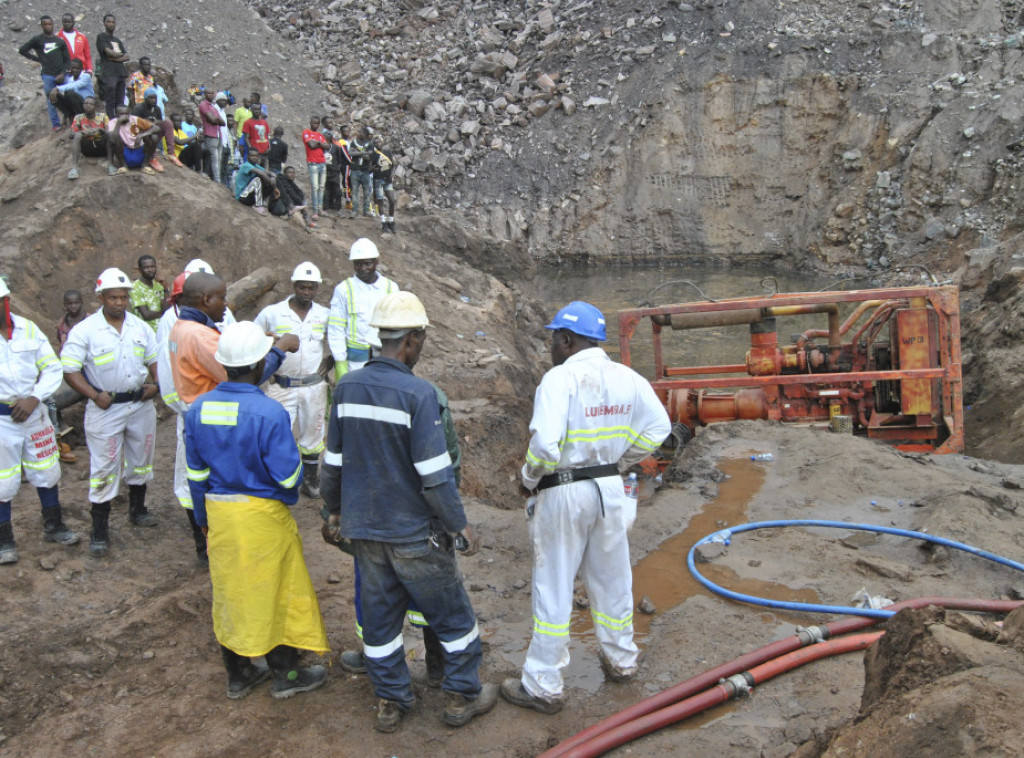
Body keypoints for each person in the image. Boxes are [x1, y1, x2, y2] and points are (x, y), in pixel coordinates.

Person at [320, 291, 495, 732]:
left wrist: (333, 513)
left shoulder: (347, 386)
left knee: (379, 627)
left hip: (366, 533)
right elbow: (436, 477)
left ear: (382, 338)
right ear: (413, 340)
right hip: (415, 535)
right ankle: (460, 696)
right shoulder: (419, 395)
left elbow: (333, 463)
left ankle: (391, 701)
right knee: (455, 620)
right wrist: (460, 526)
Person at [499, 301, 672, 713]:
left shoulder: (559, 380)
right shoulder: (628, 379)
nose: (551, 349)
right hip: (610, 490)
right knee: (613, 580)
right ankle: (621, 661)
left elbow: (543, 446)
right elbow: (660, 428)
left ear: (566, 339)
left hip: (563, 492)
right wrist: (621, 461)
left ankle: (543, 684)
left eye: (553, 340)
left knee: (554, 584)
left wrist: (528, 480)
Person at [186, 321, 329, 700]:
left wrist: (203, 520)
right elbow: (288, 479)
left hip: (219, 515)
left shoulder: (197, 410)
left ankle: (239, 674)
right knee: (275, 590)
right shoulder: (268, 413)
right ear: (258, 365)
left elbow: (196, 475)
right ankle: (287, 674)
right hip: (262, 517)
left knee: (231, 591)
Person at [61, 267, 160, 557]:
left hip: (140, 404)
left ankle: (138, 509)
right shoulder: (85, 331)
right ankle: (99, 529)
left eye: (123, 297)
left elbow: (154, 360)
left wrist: (156, 384)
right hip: (105, 409)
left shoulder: (140, 327)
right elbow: (70, 369)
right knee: (104, 467)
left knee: (141, 459)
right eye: (113, 297)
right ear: (101, 296)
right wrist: (93, 394)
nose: (119, 302)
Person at [0, 277, 79, 565]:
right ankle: (4, 540)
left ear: (5, 301)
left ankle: (54, 525)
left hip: (34, 415)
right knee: (3, 481)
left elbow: (51, 367)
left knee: (47, 470)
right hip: (1, 420)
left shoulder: (27, 329)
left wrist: (34, 397)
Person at [254, 263, 330, 499]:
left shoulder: (324, 314)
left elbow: (337, 339)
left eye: (311, 288)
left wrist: (333, 360)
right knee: (277, 433)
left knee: (313, 435)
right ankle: (280, 479)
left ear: (317, 288)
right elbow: (254, 337)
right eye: (302, 287)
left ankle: (310, 479)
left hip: (313, 386)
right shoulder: (272, 313)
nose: (306, 292)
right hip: (281, 385)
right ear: (293, 285)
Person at [327, 238, 399, 377]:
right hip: (355, 362)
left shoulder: (391, 288)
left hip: (383, 359)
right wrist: (340, 362)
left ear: (376, 262)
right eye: (358, 264)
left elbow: (397, 326)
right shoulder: (344, 289)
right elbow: (336, 328)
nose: (362, 268)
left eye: (367, 263)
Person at [18, 15, 70, 131]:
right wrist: (37, 59)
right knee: (50, 96)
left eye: (49, 24)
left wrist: (62, 73)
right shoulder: (37, 39)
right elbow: (22, 50)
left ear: (53, 24)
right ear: (41, 26)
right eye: (45, 24)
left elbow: (67, 60)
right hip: (47, 74)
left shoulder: (60, 42)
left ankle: (69, 116)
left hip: (61, 74)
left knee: (69, 94)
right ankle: (56, 124)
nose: (47, 26)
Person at [132, 86, 183, 171]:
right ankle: (152, 157)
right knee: (153, 135)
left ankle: (171, 153)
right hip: (141, 136)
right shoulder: (138, 108)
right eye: (151, 98)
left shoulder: (157, 109)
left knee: (167, 123)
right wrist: (147, 123)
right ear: (145, 99)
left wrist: (154, 123)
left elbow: (158, 123)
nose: (154, 100)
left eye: (155, 98)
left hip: (153, 132)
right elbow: (133, 127)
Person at [68, 95, 114, 179]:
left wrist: (100, 129)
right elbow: (71, 135)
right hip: (87, 147)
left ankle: (110, 165)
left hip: (101, 146)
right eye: (86, 103)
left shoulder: (103, 116)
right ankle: (74, 167)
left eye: (91, 104)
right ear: (83, 105)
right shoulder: (78, 117)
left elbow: (110, 132)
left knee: (108, 135)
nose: (88, 105)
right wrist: (84, 132)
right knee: (77, 135)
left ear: (95, 106)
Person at [107, 104, 161, 175]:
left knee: (154, 137)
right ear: (116, 114)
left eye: (126, 114)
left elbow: (157, 128)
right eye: (121, 114)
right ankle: (124, 166)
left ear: (129, 114)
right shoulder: (113, 122)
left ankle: (145, 165)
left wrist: (142, 135)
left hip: (140, 150)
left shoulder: (135, 119)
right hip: (125, 154)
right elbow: (112, 140)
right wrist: (118, 123)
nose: (124, 116)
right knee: (114, 137)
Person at [94, 14, 128, 118]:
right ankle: (110, 120)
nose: (111, 24)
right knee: (110, 98)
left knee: (120, 100)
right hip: (109, 72)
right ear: (104, 23)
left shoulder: (117, 40)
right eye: (109, 22)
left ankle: (120, 121)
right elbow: (109, 52)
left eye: (113, 22)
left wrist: (115, 58)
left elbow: (127, 57)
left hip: (121, 72)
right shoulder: (101, 37)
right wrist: (117, 56)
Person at [130, 255, 169, 330]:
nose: (150, 269)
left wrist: (166, 288)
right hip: (144, 333)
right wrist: (164, 313)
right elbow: (146, 315)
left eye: (152, 267)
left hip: (161, 332)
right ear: (140, 270)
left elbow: (166, 308)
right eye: (146, 267)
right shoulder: (135, 287)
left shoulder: (159, 285)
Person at [50, 58, 93, 124]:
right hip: (75, 104)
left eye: (77, 68)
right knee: (54, 95)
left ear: (81, 69)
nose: (75, 70)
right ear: (70, 69)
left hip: (87, 104)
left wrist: (57, 88)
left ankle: (82, 119)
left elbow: (75, 85)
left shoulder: (86, 76)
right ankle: (70, 115)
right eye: (73, 68)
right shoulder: (70, 79)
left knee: (69, 93)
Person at [302, 116, 327, 220]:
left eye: (317, 124)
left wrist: (319, 144)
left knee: (321, 187)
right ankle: (315, 210)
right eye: (314, 123)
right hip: (313, 162)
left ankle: (320, 208)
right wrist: (321, 144)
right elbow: (311, 145)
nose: (315, 125)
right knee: (315, 187)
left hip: (322, 162)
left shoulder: (320, 135)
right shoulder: (306, 132)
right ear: (310, 123)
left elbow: (328, 146)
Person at [198, 88, 225, 182]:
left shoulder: (213, 107)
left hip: (218, 134)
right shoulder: (203, 105)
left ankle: (217, 179)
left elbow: (223, 123)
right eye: (208, 93)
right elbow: (212, 120)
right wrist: (216, 119)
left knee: (219, 160)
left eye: (212, 93)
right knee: (214, 158)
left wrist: (215, 118)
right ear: (205, 94)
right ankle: (217, 180)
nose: (210, 94)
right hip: (210, 134)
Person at [348, 127, 375, 217]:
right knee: (354, 191)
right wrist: (363, 153)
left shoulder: (370, 144)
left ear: (366, 134)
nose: (359, 133)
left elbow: (369, 157)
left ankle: (366, 210)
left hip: (365, 171)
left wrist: (358, 153)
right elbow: (350, 153)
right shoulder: (354, 142)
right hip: (355, 170)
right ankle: (354, 210)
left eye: (361, 132)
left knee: (367, 192)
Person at [372, 136, 397, 233]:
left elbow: (394, 164)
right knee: (380, 201)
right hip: (378, 179)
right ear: (374, 145)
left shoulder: (388, 152)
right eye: (376, 143)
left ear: (382, 142)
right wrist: (374, 169)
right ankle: (383, 222)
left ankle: (391, 221)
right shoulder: (373, 155)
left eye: (379, 142)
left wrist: (392, 175)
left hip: (387, 179)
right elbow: (369, 167)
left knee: (392, 201)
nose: (378, 144)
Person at [323, 133, 345, 214]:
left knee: (337, 190)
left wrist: (337, 168)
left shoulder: (336, 148)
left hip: (334, 171)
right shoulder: (322, 148)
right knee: (326, 189)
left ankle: (338, 208)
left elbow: (339, 160)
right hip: (325, 171)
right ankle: (325, 207)